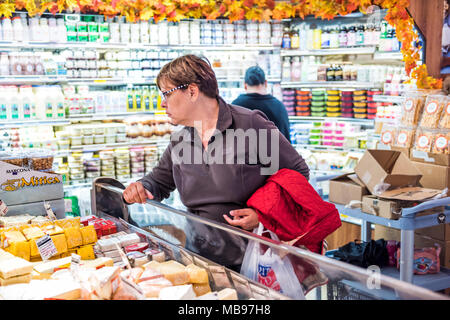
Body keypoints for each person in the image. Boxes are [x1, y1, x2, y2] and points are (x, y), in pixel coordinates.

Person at [122, 54, 309, 270]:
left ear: (192, 91)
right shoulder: (182, 139)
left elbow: (296, 172)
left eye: (166, 94)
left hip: (253, 261)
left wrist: (264, 213)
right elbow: (159, 181)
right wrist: (142, 187)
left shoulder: (250, 125)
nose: (162, 103)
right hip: (197, 256)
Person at [232, 66, 291, 142]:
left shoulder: (235, 106)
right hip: (273, 153)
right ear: (266, 83)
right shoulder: (279, 107)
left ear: (245, 85)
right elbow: (287, 142)